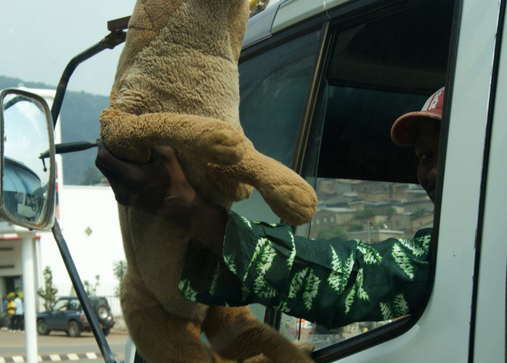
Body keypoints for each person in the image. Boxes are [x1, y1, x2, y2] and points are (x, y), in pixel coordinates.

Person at [95, 88, 445, 329]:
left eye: (439, 153)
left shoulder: (474, 249)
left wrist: (185, 206)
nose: (429, 174)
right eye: (423, 157)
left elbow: (346, 280)